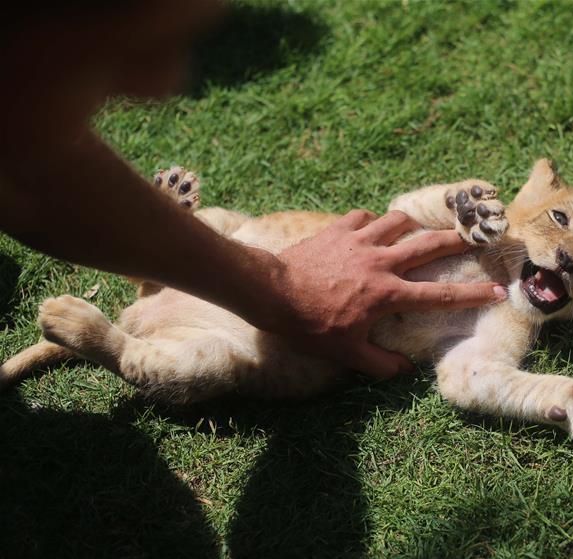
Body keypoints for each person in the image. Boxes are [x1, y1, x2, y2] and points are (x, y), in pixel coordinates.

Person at [0, 0, 506, 380]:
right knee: (215, 361)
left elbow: (38, 173)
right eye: (124, 41)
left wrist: (280, 289)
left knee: (223, 223)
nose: (160, 85)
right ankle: (124, 348)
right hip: (222, 342)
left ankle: (151, 262)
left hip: (215, 292)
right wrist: (286, 291)